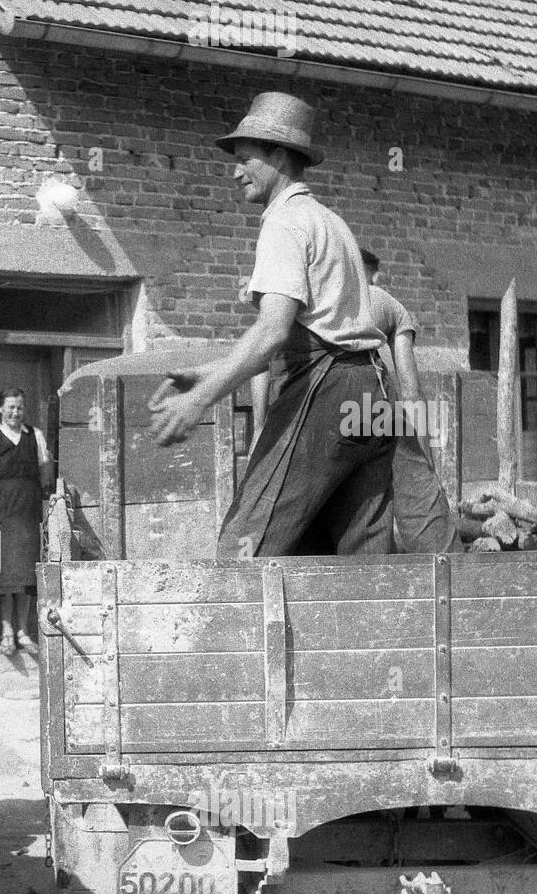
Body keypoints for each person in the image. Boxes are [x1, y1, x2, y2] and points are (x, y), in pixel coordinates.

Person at [149, 92, 394, 557]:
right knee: (356, 564)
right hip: (372, 392)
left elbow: (274, 330)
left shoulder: (283, 222)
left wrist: (201, 397)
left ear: (280, 156)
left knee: (245, 547)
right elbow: (324, 324)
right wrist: (213, 369)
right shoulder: (331, 221)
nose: (235, 171)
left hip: (324, 397)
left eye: (246, 159)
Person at [359, 248, 461, 553]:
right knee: (420, 498)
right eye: (375, 274)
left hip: (312, 408)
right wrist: (425, 459)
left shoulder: (310, 301)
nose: (378, 280)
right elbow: (411, 390)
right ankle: (450, 568)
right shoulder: (383, 301)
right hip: (366, 406)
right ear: (371, 274)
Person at [0, 388, 54, 654]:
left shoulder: (36, 436)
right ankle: (5, 631)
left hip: (26, 517)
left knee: (25, 579)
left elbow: (46, 474)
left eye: (20, 408)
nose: (15, 413)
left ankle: (23, 632)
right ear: (0, 408)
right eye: (10, 407)